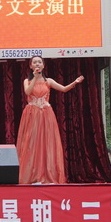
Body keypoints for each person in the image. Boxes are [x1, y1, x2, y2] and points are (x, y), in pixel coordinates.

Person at [16, 56, 84, 184]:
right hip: (32, 114)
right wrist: (35, 78)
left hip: (46, 114)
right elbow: (27, 92)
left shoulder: (49, 81)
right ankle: (30, 176)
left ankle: (47, 175)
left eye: (39, 62)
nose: (37, 64)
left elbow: (64, 89)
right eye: (34, 62)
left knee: (47, 142)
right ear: (31, 66)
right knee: (31, 143)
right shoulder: (27, 81)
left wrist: (75, 82)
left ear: (43, 65)